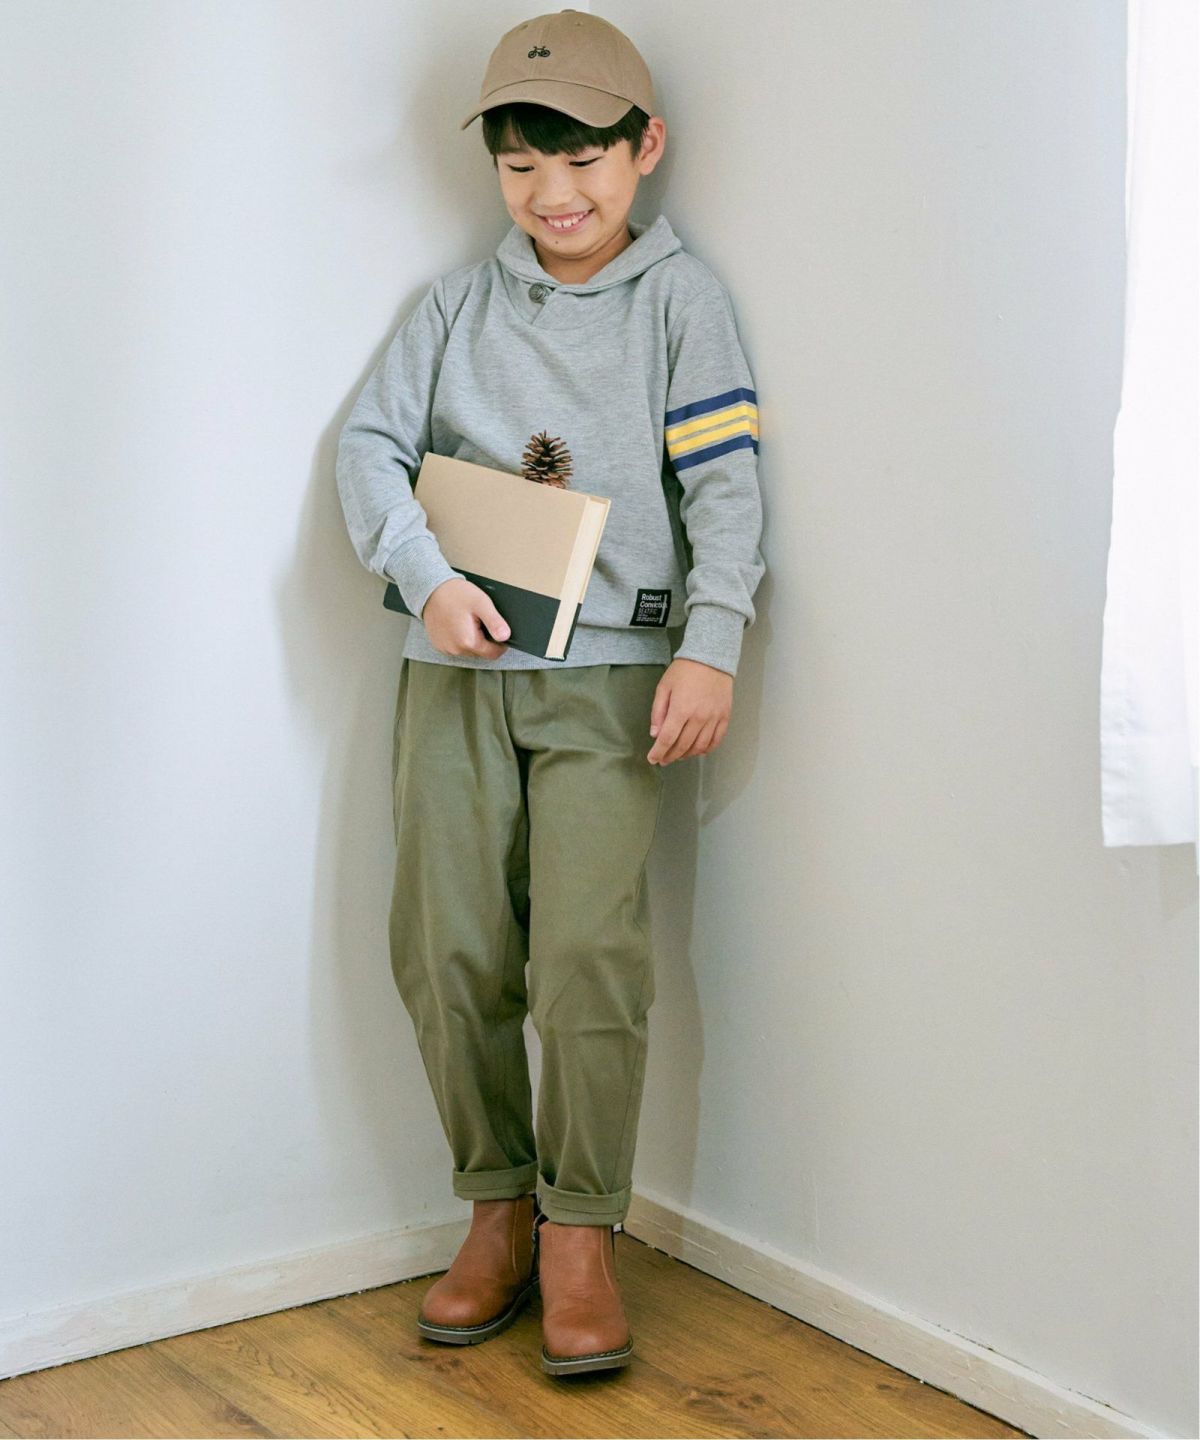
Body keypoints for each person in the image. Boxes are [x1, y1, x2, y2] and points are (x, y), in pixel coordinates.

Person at [335, 7, 766, 1379]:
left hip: (614, 683)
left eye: (581, 158)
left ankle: (583, 1231)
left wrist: (712, 642)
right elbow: (369, 449)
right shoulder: (453, 308)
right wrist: (422, 577)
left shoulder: (683, 306)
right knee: (447, 949)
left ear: (646, 148)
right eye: (521, 164)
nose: (552, 192)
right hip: (456, 674)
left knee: (589, 961)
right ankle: (497, 1209)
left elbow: (724, 488)